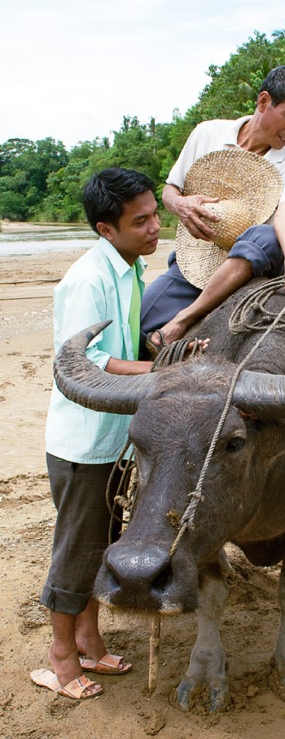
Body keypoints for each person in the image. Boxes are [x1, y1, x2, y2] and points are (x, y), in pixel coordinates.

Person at [30, 168, 162, 701]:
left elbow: (124, 343)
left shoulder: (131, 268)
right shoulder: (87, 279)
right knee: (77, 550)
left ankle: (87, 639)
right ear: (107, 229)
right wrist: (159, 371)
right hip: (84, 444)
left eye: (155, 214)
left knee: (103, 544)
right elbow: (83, 360)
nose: (155, 227)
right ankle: (60, 657)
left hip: (116, 436)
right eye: (140, 221)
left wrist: (157, 346)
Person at [141, 64, 285, 351]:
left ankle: (184, 318)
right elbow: (170, 190)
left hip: (256, 261)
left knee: (266, 235)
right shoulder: (206, 133)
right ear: (263, 101)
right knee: (140, 322)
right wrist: (180, 204)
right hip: (199, 257)